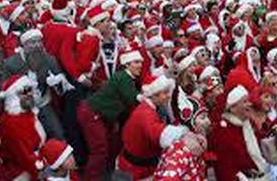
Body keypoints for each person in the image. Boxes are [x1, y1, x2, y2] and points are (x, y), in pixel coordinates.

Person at [77, 46, 143, 179]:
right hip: (92, 113)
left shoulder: (126, 78)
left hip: (100, 115)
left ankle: (105, 174)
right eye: (136, 62)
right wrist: (149, 97)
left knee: (110, 145)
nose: (140, 65)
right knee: (99, 150)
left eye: (140, 62)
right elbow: (132, 98)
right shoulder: (124, 77)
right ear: (127, 64)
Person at [117, 74, 187, 180]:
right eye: (164, 93)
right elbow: (161, 134)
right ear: (154, 95)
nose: (168, 96)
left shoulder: (147, 108)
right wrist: (184, 132)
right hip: (134, 171)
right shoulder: (146, 113)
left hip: (129, 164)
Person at [1, 29, 65, 139]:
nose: (37, 45)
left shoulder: (49, 60)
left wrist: (57, 82)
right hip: (22, 108)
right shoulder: (11, 64)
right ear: (24, 45)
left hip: (43, 104)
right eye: (32, 42)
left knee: (58, 134)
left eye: (39, 41)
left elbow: (62, 89)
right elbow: (5, 91)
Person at [212, 85, 270, 181]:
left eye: (248, 100)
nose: (249, 104)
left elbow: (260, 143)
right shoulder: (224, 131)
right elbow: (224, 168)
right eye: (244, 102)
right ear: (232, 108)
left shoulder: (247, 124)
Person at [0, 74, 46, 180]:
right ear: (13, 96)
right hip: (19, 172)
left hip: (35, 162)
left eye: (29, 90)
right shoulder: (12, 122)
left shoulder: (28, 113)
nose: (29, 94)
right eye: (23, 91)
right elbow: (26, 158)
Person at [154, 96, 211, 181]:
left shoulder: (197, 144)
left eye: (207, 116)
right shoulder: (178, 152)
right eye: (202, 118)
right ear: (189, 122)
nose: (208, 121)